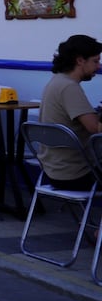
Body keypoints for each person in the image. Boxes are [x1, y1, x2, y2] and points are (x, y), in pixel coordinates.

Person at [36, 34, 102, 190]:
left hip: (53, 171)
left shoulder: (56, 81)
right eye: (95, 61)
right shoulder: (69, 88)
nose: (98, 66)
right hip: (77, 174)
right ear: (80, 60)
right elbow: (96, 129)